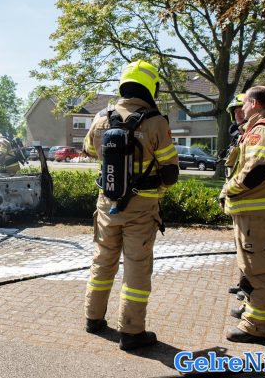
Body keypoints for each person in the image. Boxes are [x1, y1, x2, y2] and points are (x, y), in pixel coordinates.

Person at [82, 60, 179, 351]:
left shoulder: (101, 117)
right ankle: (132, 332)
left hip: (106, 203)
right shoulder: (156, 121)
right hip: (142, 207)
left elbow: (88, 150)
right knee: (136, 268)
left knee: (102, 261)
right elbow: (170, 171)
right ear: (151, 87)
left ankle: (93, 318)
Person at [219, 86, 265, 343]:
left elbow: (256, 171)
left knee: (258, 270)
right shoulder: (256, 129)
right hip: (253, 214)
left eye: (245, 103)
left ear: (255, 103)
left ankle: (256, 326)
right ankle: (251, 310)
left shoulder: (262, 131)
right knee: (250, 266)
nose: (242, 108)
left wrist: (229, 190)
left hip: (257, 215)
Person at [223, 94, 253, 301]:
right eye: (234, 112)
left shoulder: (254, 135)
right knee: (241, 247)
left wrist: (230, 190)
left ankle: (250, 289)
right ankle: (244, 283)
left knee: (251, 249)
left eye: (241, 110)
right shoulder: (239, 136)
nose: (238, 114)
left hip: (252, 203)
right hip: (240, 201)